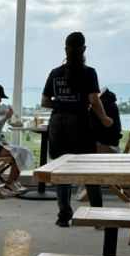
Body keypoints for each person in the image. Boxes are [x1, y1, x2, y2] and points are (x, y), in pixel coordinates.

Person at [41, 32, 113, 226]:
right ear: (84, 49)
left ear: (65, 49)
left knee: (61, 169)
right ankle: (97, 216)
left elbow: (45, 101)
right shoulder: (88, 72)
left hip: (57, 124)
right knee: (89, 168)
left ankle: (64, 216)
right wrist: (105, 118)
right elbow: (93, 100)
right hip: (79, 123)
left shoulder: (55, 73)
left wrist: (61, 104)